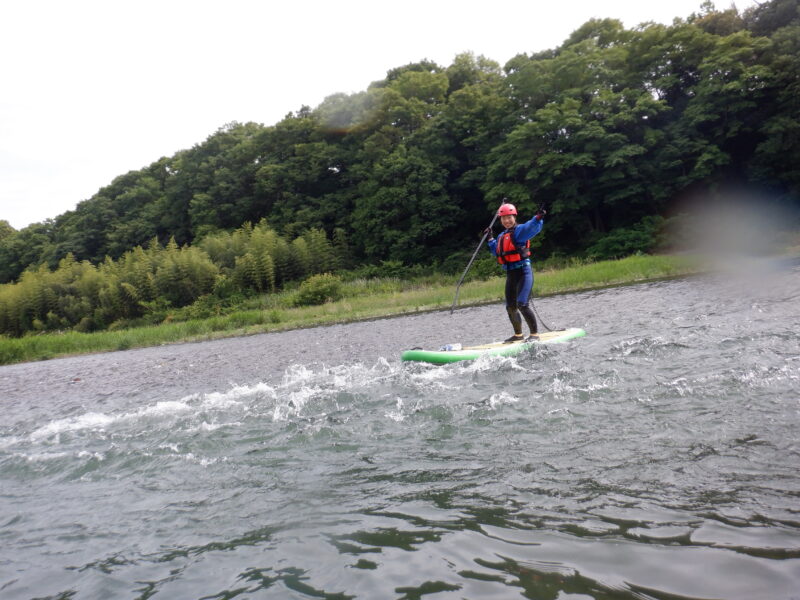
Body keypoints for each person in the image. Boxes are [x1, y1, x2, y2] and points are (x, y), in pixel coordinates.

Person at [486, 202, 546, 343]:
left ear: (514, 217)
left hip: (523, 272)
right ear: (500, 220)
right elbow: (496, 249)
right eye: (504, 218)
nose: (507, 221)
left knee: (522, 304)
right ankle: (518, 335)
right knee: (510, 307)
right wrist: (489, 238)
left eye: (509, 217)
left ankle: (534, 334)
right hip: (511, 274)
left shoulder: (519, 231)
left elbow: (531, 227)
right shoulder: (501, 235)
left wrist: (538, 217)